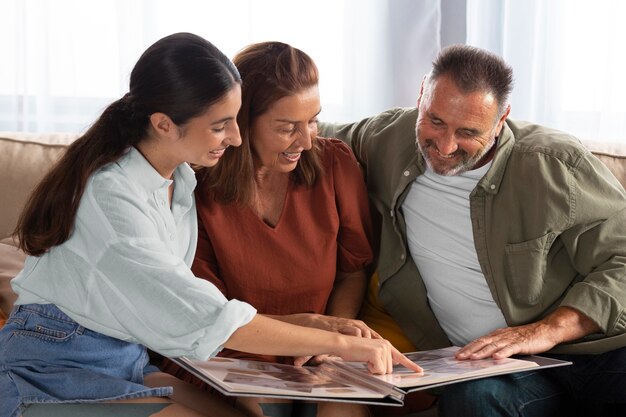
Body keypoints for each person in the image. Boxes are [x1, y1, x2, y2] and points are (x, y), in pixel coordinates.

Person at [0, 33, 421, 417]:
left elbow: (185, 307)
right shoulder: (114, 198)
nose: (236, 139)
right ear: (164, 124)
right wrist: (340, 344)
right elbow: (199, 314)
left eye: (236, 120)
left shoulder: (178, 179)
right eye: (221, 126)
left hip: (125, 359)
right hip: (51, 367)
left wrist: (311, 323)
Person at [319, 44, 626, 416]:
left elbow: (621, 260)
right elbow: (301, 129)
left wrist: (545, 330)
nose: (445, 146)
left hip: (596, 350)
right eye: (435, 121)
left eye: (468, 132)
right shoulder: (386, 137)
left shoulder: (554, 164)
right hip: (499, 369)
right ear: (421, 95)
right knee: (472, 401)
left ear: (501, 119)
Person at [163, 41, 376, 417]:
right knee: (261, 409)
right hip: (235, 349)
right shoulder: (196, 189)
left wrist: (330, 339)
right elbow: (211, 316)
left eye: (313, 121)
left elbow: (352, 271)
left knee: (343, 408)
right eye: (287, 128)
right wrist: (305, 331)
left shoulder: (335, 164)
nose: (307, 140)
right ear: (240, 122)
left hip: (319, 349)